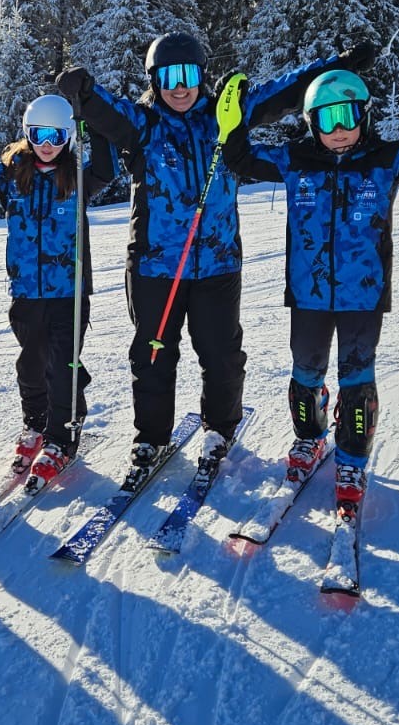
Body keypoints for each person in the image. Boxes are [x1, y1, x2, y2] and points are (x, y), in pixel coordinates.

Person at [54, 32, 376, 477]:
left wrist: (336, 65)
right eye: (168, 77)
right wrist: (84, 91)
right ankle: (151, 436)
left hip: (218, 264)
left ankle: (219, 428)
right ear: (154, 80)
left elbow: (284, 91)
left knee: (221, 354)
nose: (179, 87)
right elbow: (105, 110)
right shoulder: (143, 124)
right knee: (152, 354)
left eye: (188, 75)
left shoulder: (224, 115)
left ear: (202, 76)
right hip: (156, 266)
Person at [222, 67, 399, 503]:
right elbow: (239, 158)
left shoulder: (386, 158)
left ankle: (353, 459)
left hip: (364, 294)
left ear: (365, 115)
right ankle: (309, 437)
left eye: (348, 116)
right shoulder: (294, 160)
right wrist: (234, 112)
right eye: (326, 119)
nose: (338, 130)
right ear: (311, 123)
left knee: (356, 376)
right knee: (306, 369)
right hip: (309, 293)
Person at [0, 93, 117, 485]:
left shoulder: (77, 177)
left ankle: (62, 437)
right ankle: (36, 422)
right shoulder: (11, 174)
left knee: (62, 366)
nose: (47, 144)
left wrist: (93, 118)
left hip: (68, 293)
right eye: (38, 135)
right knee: (31, 364)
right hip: (25, 292)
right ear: (27, 134)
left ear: (68, 136)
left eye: (56, 136)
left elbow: (108, 168)